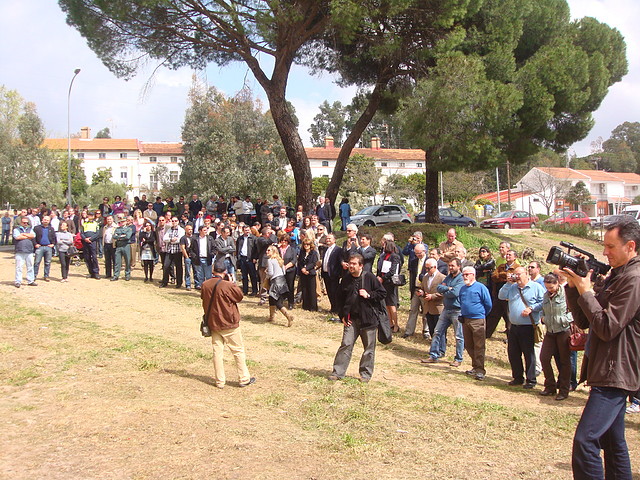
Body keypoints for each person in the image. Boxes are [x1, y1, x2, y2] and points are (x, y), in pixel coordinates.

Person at [563, 216, 640, 479]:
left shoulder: (634, 279)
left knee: (586, 441)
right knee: (612, 441)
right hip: (608, 369)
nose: (605, 252)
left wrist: (587, 292)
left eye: (610, 247)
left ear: (630, 246)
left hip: (616, 371)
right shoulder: (618, 276)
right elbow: (586, 321)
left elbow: (607, 327)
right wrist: (575, 289)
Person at [329, 253, 386, 382]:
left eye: (354, 264)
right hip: (351, 319)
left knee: (369, 349)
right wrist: (342, 315)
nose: (351, 266)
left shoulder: (370, 277)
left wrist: (369, 295)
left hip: (368, 320)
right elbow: (339, 299)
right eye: (350, 263)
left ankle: (365, 375)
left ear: (361, 265)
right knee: (346, 344)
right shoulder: (346, 279)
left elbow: (382, 293)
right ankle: (337, 372)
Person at [201, 262, 255, 389]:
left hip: (213, 322)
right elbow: (239, 297)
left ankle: (219, 381)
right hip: (229, 323)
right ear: (225, 272)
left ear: (213, 270)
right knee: (237, 350)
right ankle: (243, 378)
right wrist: (232, 283)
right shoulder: (228, 285)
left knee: (217, 352)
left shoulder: (205, 284)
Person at [498, 266, 545, 389]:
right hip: (513, 326)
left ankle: (531, 380)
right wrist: (508, 283)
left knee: (529, 354)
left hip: (528, 326)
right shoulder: (513, 287)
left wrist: (531, 308)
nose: (516, 277)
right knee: (513, 353)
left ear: (526, 274)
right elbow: (501, 296)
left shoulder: (536, 287)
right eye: (515, 274)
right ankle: (517, 377)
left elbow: (543, 302)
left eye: (519, 274)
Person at [422, 258, 464, 366]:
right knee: (437, 332)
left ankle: (458, 359)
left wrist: (447, 290)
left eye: (453, 266)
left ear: (458, 266)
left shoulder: (461, 279)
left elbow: (455, 293)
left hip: (457, 310)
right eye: (449, 265)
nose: (450, 267)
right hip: (446, 309)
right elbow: (439, 288)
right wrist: (447, 289)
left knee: (458, 336)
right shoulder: (448, 277)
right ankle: (434, 355)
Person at [539, 273, 573, 401]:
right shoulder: (546, 296)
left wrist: (565, 319)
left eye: (551, 288)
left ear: (557, 284)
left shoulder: (566, 295)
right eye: (547, 288)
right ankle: (550, 386)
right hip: (550, 331)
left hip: (563, 331)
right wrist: (543, 318)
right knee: (544, 357)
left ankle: (564, 390)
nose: (549, 290)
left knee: (564, 361)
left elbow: (575, 310)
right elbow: (543, 309)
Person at [459, 266, 492, 380]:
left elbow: (488, 304)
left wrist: (481, 314)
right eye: (463, 275)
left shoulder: (481, 287)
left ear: (473, 275)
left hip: (478, 320)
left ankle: (480, 370)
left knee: (479, 345)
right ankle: (475, 366)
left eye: (467, 274)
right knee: (469, 344)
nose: (465, 277)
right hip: (465, 319)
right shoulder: (463, 289)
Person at [402, 243, 429, 338]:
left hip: (425, 290)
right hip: (416, 289)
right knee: (413, 310)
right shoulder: (414, 262)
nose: (418, 255)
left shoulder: (429, 262)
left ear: (424, 251)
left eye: (420, 253)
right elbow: (412, 276)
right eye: (416, 253)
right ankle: (409, 331)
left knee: (426, 312)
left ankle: (426, 331)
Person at [265, 245, 294, 326]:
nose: (267, 252)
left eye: (269, 250)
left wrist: (266, 274)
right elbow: (284, 272)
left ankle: (288, 316)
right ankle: (272, 317)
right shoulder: (279, 260)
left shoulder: (270, 260)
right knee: (271, 298)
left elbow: (271, 273)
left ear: (273, 252)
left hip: (275, 282)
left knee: (277, 301)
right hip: (282, 281)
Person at [376, 240, 401, 332]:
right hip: (382, 282)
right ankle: (390, 323)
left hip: (390, 282)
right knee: (386, 304)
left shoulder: (395, 256)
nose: (383, 246)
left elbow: (392, 271)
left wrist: (383, 278)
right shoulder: (383, 256)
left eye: (385, 244)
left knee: (391, 304)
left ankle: (396, 324)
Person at [419, 258, 446, 340]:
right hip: (428, 308)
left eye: (429, 268)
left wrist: (432, 296)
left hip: (438, 308)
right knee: (431, 329)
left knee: (440, 330)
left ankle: (441, 348)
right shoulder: (425, 277)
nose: (427, 270)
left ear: (435, 267)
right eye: (425, 268)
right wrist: (422, 293)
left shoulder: (442, 278)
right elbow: (424, 289)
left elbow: (444, 292)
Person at [322, 233, 344, 321]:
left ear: (334, 240)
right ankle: (332, 307)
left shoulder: (338, 250)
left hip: (334, 274)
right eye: (327, 239)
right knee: (329, 291)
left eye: (330, 239)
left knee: (334, 292)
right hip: (326, 273)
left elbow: (339, 261)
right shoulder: (326, 249)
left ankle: (336, 308)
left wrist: (338, 273)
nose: (328, 240)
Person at [160, 217, 185, 288]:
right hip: (169, 250)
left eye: (175, 221)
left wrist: (173, 240)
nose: (174, 222)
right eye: (173, 221)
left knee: (178, 267)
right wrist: (171, 239)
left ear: (178, 222)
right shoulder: (169, 230)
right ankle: (165, 282)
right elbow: (164, 238)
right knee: (165, 266)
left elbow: (180, 239)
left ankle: (179, 283)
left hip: (177, 251)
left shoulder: (181, 230)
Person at [402, 231, 428, 297]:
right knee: (412, 286)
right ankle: (413, 297)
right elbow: (404, 252)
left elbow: (420, 253)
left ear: (421, 238)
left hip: (422, 269)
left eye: (418, 238)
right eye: (415, 238)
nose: (416, 240)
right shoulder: (411, 245)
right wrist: (409, 243)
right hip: (412, 267)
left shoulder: (424, 246)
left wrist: (415, 244)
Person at [13, 217, 37, 287]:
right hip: (20, 250)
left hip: (29, 251)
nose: (25, 224)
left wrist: (23, 234)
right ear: (20, 223)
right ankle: (18, 281)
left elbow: (33, 236)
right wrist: (27, 235)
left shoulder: (30, 229)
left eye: (27, 222)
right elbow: (17, 237)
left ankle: (30, 280)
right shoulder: (16, 229)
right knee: (19, 267)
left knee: (30, 266)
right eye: (24, 222)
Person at [191, 224, 216, 289]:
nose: (206, 231)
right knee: (200, 276)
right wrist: (194, 256)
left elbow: (214, 248)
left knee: (208, 276)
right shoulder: (195, 239)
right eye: (204, 230)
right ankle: (202, 288)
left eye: (206, 230)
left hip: (207, 259)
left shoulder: (210, 238)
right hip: (198, 259)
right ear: (200, 231)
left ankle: (208, 288)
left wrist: (212, 254)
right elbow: (191, 249)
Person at [297, 238, 319, 311]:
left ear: (311, 245)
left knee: (312, 290)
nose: (306, 246)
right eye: (305, 244)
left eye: (307, 244)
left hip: (311, 273)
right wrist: (302, 269)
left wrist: (306, 269)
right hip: (303, 273)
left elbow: (314, 262)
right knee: (304, 289)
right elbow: (299, 262)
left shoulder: (314, 253)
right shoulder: (302, 252)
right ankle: (305, 306)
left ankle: (313, 307)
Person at [236, 225, 258, 295]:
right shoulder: (240, 238)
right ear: (243, 231)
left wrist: (255, 257)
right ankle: (245, 290)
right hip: (242, 258)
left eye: (248, 230)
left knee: (253, 275)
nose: (247, 231)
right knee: (244, 276)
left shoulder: (254, 238)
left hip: (250, 259)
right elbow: (237, 248)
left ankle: (254, 290)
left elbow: (256, 249)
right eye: (246, 230)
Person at [278, 232, 297, 309]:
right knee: (280, 287)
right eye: (282, 240)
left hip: (290, 271)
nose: (283, 242)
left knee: (290, 286)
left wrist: (286, 267)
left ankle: (290, 303)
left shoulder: (292, 249)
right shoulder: (278, 249)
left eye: (285, 241)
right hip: (279, 271)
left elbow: (294, 260)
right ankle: (280, 302)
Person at [33, 215, 55, 282]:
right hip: (40, 247)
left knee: (47, 262)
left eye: (47, 220)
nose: (46, 221)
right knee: (37, 262)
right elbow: (33, 237)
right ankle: (34, 275)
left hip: (48, 247)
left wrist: (53, 244)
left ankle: (46, 276)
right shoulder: (37, 228)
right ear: (42, 220)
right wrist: (35, 244)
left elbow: (54, 238)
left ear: (49, 221)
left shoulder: (51, 229)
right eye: (45, 219)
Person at [111, 215, 133, 281]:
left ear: (126, 222)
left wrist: (119, 237)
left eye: (123, 221)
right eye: (121, 221)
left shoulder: (129, 229)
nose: (122, 222)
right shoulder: (117, 229)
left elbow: (127, 237)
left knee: (127, 261)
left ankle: (127, 275)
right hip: (119, 246)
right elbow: (114, 236)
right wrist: (122, 236)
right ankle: (116, 275)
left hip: (126, 246)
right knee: (117, 262)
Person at [80, 211, 102, 279]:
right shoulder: (84, 224)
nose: (90, 217)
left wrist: (91, 239)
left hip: (93, 242)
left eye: (91, 215)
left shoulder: (96, 224)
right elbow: (81, 233)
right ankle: (91, 272)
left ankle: (96, 272)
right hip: (85, 242)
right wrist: (85, 239)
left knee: (94, 257)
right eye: (89, 215)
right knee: (87, 257)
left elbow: (97, 233)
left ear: (93, 216)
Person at [180, 224, 196, 290]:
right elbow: (182, 248)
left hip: (194, 257)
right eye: (189, 229)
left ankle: (197, 284)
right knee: (188, 271)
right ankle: (188, 284)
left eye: (191, 229)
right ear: (185, 230)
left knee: (196, 271)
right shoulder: (183, 238)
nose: (190, 231)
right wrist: (186, 256)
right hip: (188, 257)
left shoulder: (194, 237)